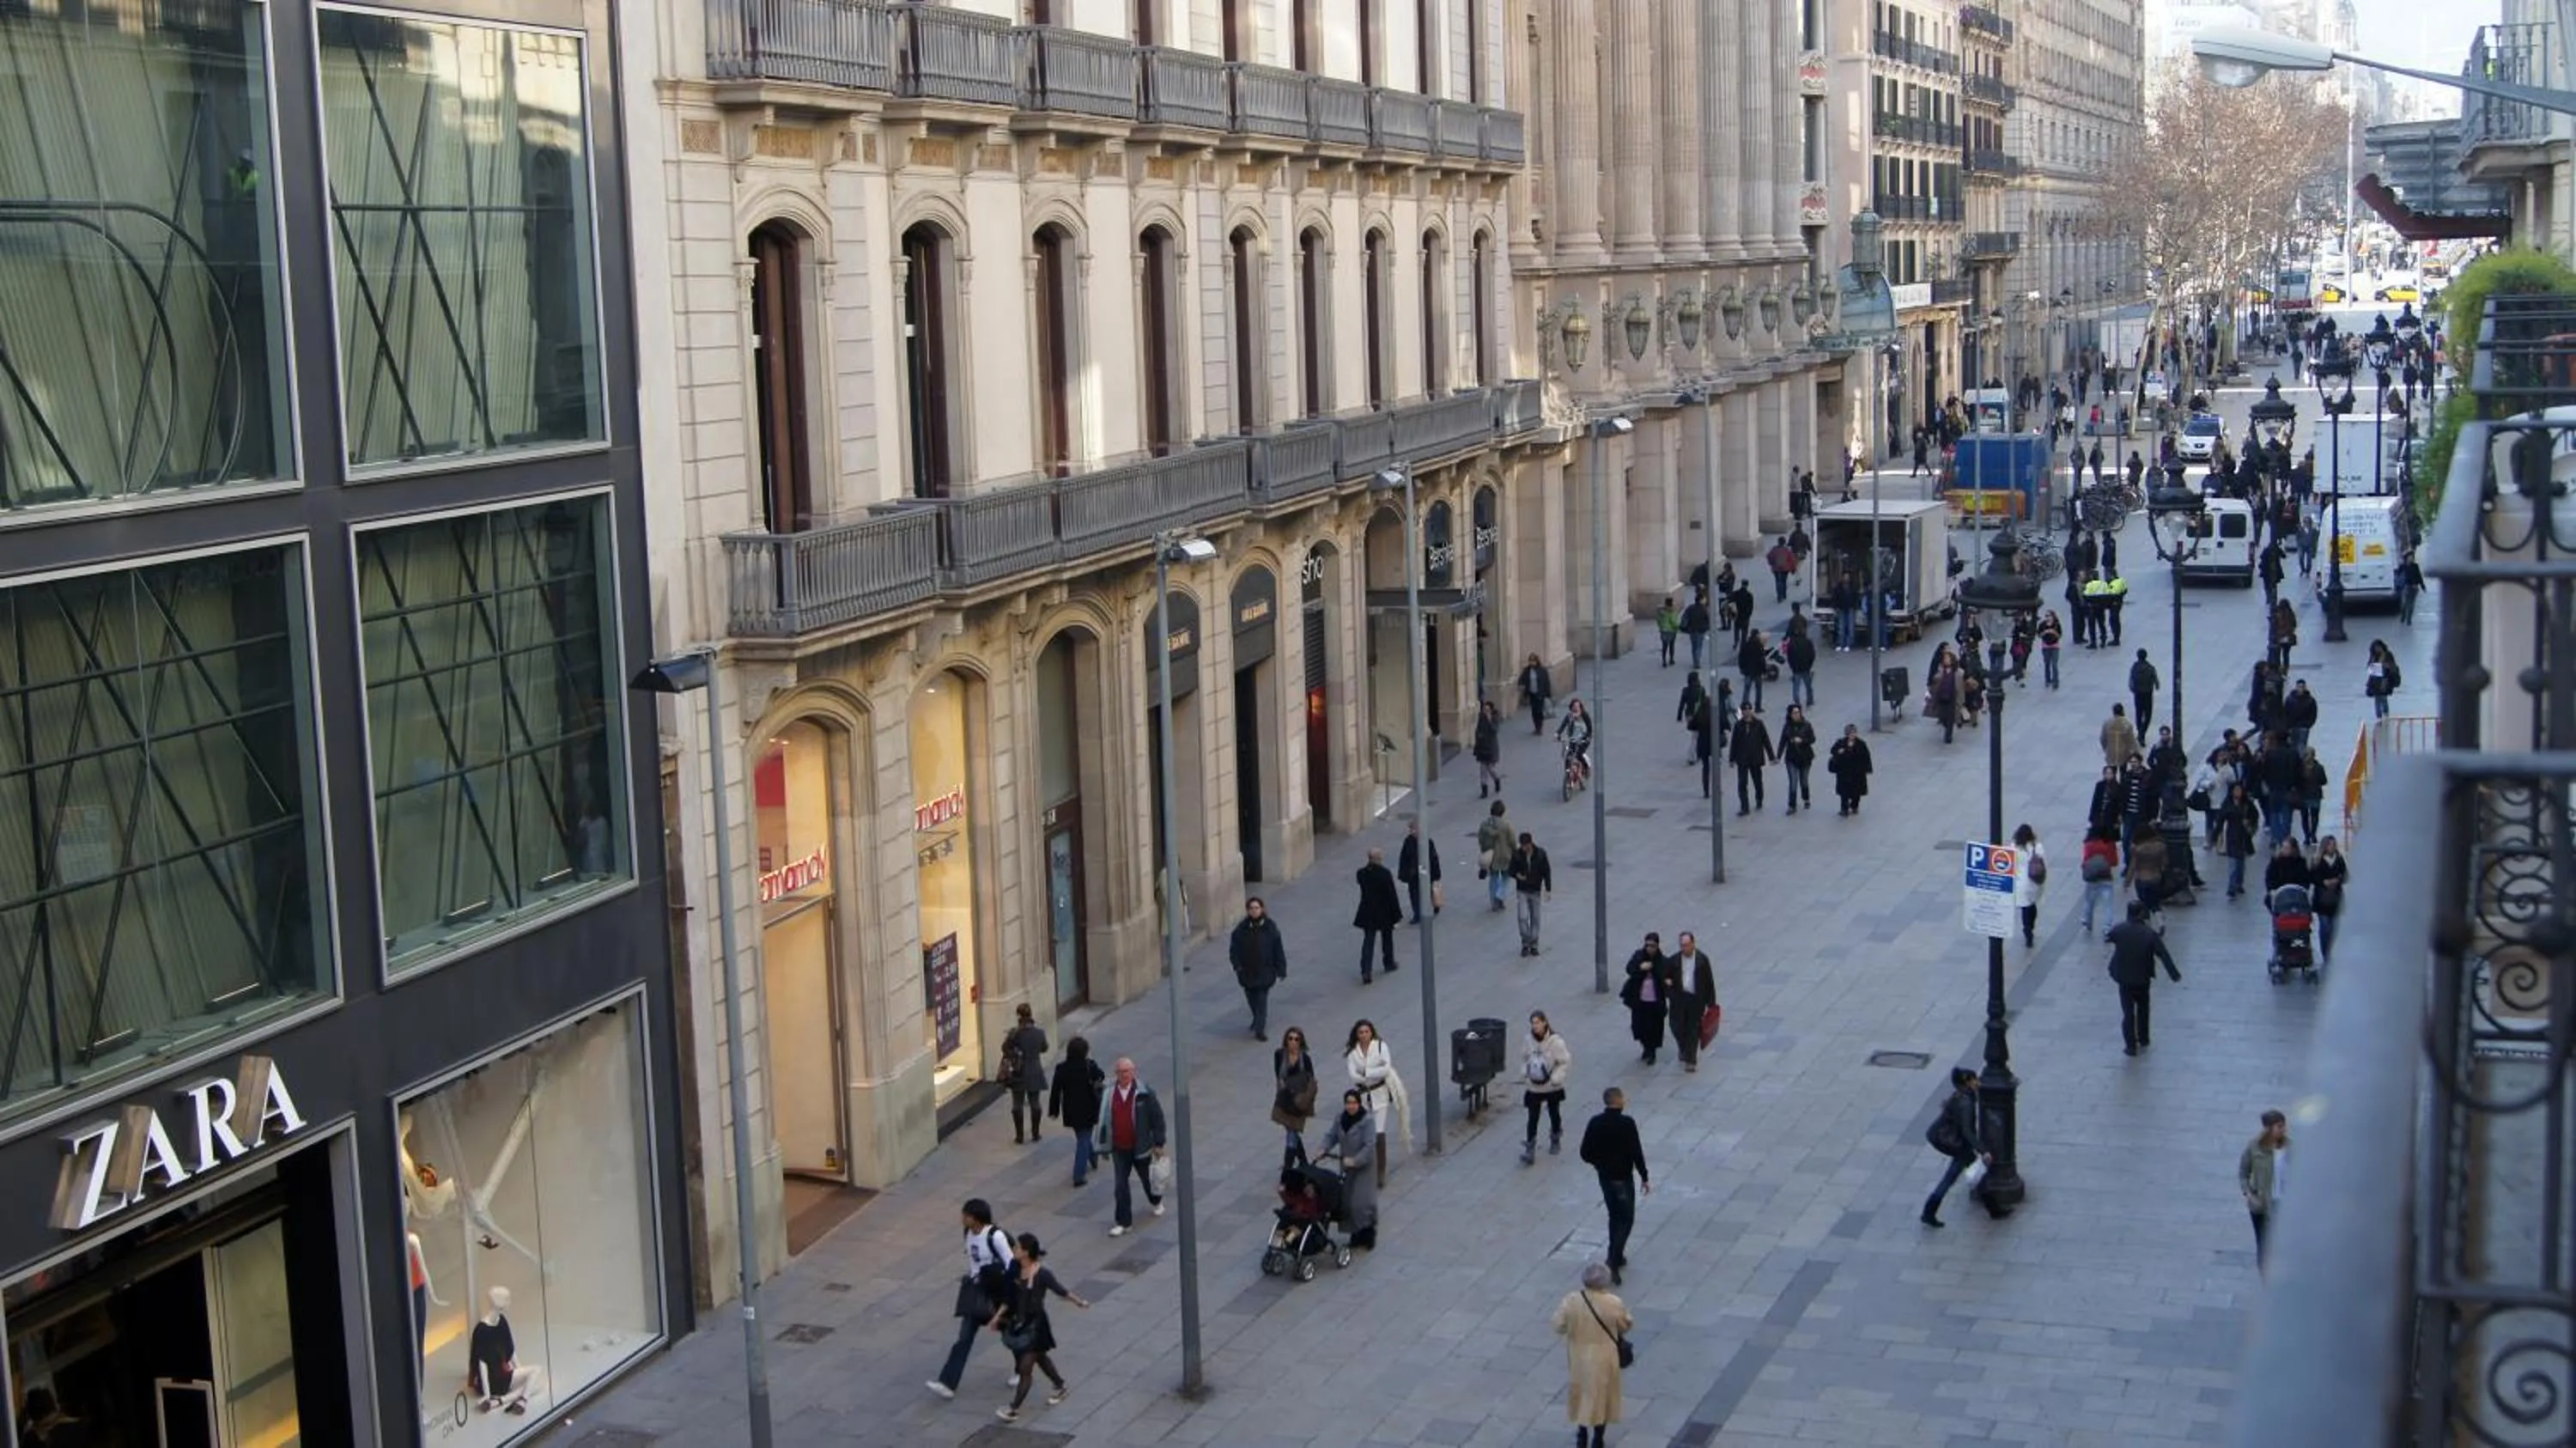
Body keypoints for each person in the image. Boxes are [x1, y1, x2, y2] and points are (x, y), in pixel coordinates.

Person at [989, 1232, 1090, 1423]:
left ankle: (1013, 1409)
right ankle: (1060, 1385)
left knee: (1026, 1367)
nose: (1014, 1250)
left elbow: (1061, 1290)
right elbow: (1009, 1299)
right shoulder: (1016, 1271)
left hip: (1037, 1327)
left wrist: (1079, 1302)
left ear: (1026, 1252)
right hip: (1022, 1324)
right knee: (1041, 1358)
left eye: (1018, 1247)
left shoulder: (1042, 1274)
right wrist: (996, 1317)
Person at [926, 1198, 1016, 1400]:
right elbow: (973, 1260)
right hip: (977, 1292)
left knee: (1009, 1335)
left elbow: (1011, 1264)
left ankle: (1023, 1367)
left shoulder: (996, 1236)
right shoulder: (968, 1234)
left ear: (975, 1218)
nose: (962, 1218)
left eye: (965, 1215)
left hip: (996, 1293)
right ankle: (948, 1383)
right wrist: (974, 1278)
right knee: (964, 1337)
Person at [1552, 1262, 1633, 1448]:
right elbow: (1625, 1325)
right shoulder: (1613, 1303)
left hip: (1579, 1356)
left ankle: (1582, 1434)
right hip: (1605, 1357)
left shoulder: (1572, 1301)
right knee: (1602, 1397)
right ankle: (1598, 1438)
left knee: (1582, 1394)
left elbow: (1558, 1325)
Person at [1579, 1088, 1651, 1285]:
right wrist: (1644, 1176)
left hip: (1605, 1177)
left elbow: (1585, 1152)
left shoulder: (1595, 1122)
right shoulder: (1627, 1124)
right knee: (1626, 1218)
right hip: (1622, 1177)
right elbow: (1636, 1151)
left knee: (1614, 1215)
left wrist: (1599, 1165)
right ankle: (1613, 1256)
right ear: (1618, 1101)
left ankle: (1616, 1255)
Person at [1097, 1058, 1167, 1236]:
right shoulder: (1110, 1093)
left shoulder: (1144, 1093)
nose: (1124, 1075)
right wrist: (1103, 1145)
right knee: (1121, 1185)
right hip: (1120, 1147)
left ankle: (1156, 1200)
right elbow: (1104, 1119)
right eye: (1120, 1072)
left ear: (1134, 1072)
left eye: (1127, 1071)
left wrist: (1159, 1143)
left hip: (1141, 1146)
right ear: (1116, 1074)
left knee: (1147, 1179)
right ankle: (1123, 1222)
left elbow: (1157, 1118)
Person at [2105, 901, 2183, 1056]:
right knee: (2143, 1007)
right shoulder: (2149, 934)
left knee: (2128, 1012)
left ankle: (2130, 1046)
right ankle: (2143, 1037)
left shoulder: (2120, 930)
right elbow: (2163, 955)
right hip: (2142, 977)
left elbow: (2109, 937)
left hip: (2124, 978)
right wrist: (2174, 974)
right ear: (2142, 914)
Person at [1921, 1068, 1990, 1227]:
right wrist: (1983, 1150)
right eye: (1974, 1080)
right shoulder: (1966, 1102)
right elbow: (1967, 1131)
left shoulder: (1961, 1095)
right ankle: (1994, 1207)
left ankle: (1929, 1212)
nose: (1978, 1082)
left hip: (1954, 1142)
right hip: (1957, 1144)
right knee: (1969, 1173)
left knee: (1955, 1175)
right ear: (1967, 1082)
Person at [1344, 1019, 1407, 1189]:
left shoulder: (1380, 1046)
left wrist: (1366, 1072)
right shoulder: (1353, 1053)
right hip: (1363, 1097)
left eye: (1366, 1032)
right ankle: (1365, 1167)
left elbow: (1386, 1068)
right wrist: (1370, 1074)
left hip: (1380, 1095)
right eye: (1361, 1032)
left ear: (1371, 1032)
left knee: (1379, 1132)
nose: (1364, 1035)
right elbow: (1353, 1075)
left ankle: (1380, 1171)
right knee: (1364, 1132)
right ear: (1356, 1035)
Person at [1317, 1087, 1382, 1250]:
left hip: (1364, 1167)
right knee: (1347, 1202)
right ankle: (1355, 1235)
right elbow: (1331, 1136)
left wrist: (1356, 1160)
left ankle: (1368, 1234)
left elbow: (1369, 1146)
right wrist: (1323, 1148)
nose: (1351, 1106)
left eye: (1354, 1103)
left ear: (1359, 1104)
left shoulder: (1367, 1122)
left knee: (1361, 1203)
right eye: (1348, 1103)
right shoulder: (1340, 1119)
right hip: (1347, 1166)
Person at [1045, 1037, 1105, 1187]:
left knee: (1082, 1137)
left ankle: (1092, 1156)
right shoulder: (1089, 1066)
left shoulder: (1062, 1068)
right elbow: (1101, 1075)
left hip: (1071, 1109)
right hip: (1089, 1107)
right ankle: (1079, 1174)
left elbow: (1056, 1091)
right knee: (1084, 1139)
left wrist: (1054, 1110)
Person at [1518, 1010, 1573, 1165]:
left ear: (1545, 1023)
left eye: (1537, 1022)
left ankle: (1555, 1137)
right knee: (1532, 1117)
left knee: (1554, 1113)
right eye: (1533, 1023)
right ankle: (1530, 1148)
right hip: (1534, 1086)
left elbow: (1564, 1062)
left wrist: (1557, 1078)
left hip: (1551, 1086)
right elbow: (1524, 1058)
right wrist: (1524, 1072)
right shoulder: (1528, 1040)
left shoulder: (1556, 1042)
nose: (1535, 1026)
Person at [1229, 897, 1288, 1041]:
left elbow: (1278, 949)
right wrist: (1237, 966)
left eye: (1257, 908)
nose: (1254, 911)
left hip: (1265, 971)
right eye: (1251, 908)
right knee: (1251, 999)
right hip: (1247, 972)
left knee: (1261, 1000)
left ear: (1262, 909)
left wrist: (1281, 969)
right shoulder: (1241, 929)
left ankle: (1260, 1029)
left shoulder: (1270, 928)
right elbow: (1234, 950)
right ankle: (1256, 1019)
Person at [2239, 1110, 2290, 1269]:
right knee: (2263, 1242)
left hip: (2284, 1203)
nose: (2283, 1130)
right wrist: (2248, 1193)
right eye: (2279, 1126)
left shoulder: (2291, 1147)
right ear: (2268, 1128)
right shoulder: (2254, 1147)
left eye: (2283, 1126)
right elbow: (2243, 1172)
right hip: (2261, 1203)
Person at [1667, 932, 1717, 1074]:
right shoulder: (1674, 961)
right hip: (1679, 999)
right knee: (1676, 1026)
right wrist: (1669, 989)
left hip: (1696, 1000)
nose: (1685, 948)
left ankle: (1691, 1059)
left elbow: (1709, 982)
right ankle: (1683, 1048)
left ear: (1693, 944)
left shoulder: (1702, 960)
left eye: (1687, 945)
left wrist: (1711, 1002)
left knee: (1693, 1030)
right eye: (1682, 946)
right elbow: (1665, 978)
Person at [1000, 1005, 1050, 1144]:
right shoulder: (1039, 1033)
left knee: (1017, 1104)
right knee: (1035, 1103)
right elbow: (1045, 1048)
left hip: (1018, 1072)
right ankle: (1035, 1133)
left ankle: (1020, 1136)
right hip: (1034, 1070)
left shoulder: (1015, 1034)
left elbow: (1004, 1048)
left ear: (1018, 1016)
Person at [1352, 847, 1402, 983]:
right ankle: (1388, 962)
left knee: (1368, 941)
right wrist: (1397, 913)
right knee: (1387, 938)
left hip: (1367, 911)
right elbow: (1392, 895)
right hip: (1384, 911)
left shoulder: (1361, 873)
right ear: (1378, 858)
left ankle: (1366, 970)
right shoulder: (1385, 874)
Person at [1619, 934, 1669, 1065]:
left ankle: (1651, 1052)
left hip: (1655, 1002)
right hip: (1639, 1000)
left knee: (1654, 1028)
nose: (1649, 948)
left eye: (1652, 946)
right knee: (1639, 1027)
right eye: (1647, 945)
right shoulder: (1638, 956)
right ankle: (1645, 1047)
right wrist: (1641, 968)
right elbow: (1629, 969)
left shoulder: (1662, 961)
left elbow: (1666, 975)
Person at [1271, 1027, 1317, 1165]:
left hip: (1299, 1102)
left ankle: (1287, 1171)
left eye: (1296, 1039)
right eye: (1290, 1038)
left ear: (1301, 1042)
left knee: (1291, 1135)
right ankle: (1304, 1162)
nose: (1293, 1042)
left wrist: (1307, 1100)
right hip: (1284, 1100)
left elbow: (1311, 1081)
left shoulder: (1305, 1059)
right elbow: (1278, 1074)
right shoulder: (1279, 1054)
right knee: (1293, 1132)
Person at [1510, 831, 1553, 956]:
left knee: (1535, 918)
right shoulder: (1517, 855)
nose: (1524, 848)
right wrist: (1517, 875)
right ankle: (1526, 941)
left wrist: (1548, 889)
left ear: (1530, 844)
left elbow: (1547, 871)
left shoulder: (1540, 854)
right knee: (1522, 917)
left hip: (1535, 890)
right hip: (1522, 890)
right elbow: (1511, 870)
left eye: (1525, 846)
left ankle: (1533, 943)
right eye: (1522, 846)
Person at [1728, 702, 1774, 817]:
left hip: (1755, 758)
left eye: (1749, 709)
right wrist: (1732, 759)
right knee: (1742, 783)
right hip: (1742, 759)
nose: (1747, 711)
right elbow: (1734, 742)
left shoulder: (1759, 724)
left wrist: (1771, 756)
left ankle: (1759, 799)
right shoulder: (1738, 725)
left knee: (1757, 781)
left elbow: (1766, 740)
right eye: (1744, 709)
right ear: (1742, 711)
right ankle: (1744, 807)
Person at [2218, 782, 2261, 899]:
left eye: (2239, 790)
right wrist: (2217, 835)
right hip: (2232, 836)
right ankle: (2231, 888)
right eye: (2235, 790)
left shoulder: (2247, 804)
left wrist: (2250, 823)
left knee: (2240, 863)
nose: (2237, 792)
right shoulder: (2227, 804)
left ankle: (2239, 883)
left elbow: (2255, 816)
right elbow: (2220, 819)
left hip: (2244, 837)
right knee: (2233, 863)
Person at [1395, 820, 1443, 925]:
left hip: (1426, 872)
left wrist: (1436, 874)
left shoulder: (1427, 841)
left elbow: (1434, 858)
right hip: (1413, 874)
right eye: (1411, 829)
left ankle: (1435, 905)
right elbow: (1404, 858)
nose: (1412, 831)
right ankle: (1417, 914)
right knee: (1414, 894)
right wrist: (1404, 873)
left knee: (1430, 890)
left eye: (1414, 829)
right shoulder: (1408, 841)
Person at [2078, 824, 2121, 935]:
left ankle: (2088, 922)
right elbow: (2114, 862)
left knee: (2089, 901)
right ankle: (2107, 927)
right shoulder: (2109, 844)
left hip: (2092, 877)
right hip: (2106, 876)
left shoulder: (2089, 845)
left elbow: (2085, 861)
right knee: (2108, 904)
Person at [2310, 837, 2347, 963]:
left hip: (2336, 898)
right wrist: (2323, 882)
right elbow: (2312, 877)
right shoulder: (2317, 860)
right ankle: (2326, 952)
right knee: (2325, 926)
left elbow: (2345, 875)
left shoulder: (2339, 858)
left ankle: (2332, 950)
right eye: (2331, 845)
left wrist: (2338, 880)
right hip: (2322, 899)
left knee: (2334, 927)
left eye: (2334, 844)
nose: (2333, 847)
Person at [2010, 822, 2046, 949]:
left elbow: (2011, 865)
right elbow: (2043, 861)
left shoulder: (2014, 847)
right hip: (2034, 881)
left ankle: (2027, 930)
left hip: (2020, 882)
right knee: (2032, 905)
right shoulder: (2037, 847)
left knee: (2025, 907)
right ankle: (2030, 926)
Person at [1777, 704, 1818, 814]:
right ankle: (1792, 805)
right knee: (1793, 782)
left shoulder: (1806, 725)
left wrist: (1802, 740)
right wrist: (1778, 756)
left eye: (1798, 712)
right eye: (1794, 713)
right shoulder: (1787, 726)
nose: (1796, 715)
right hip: (1791, 758)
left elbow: (1813, 739)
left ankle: (1806, 798)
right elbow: (1782, 741)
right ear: (1790, 715)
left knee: (1804, 780)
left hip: (1805, 757)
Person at [1477, 800, 1516, 912]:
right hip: (1505, 855)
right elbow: (1512, 841)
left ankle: (1494, 901)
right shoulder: (1506, 825)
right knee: (1506, 877)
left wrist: (1484, 849)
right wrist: (1515, 850)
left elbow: (1481, 839)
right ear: (1502, 812)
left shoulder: (1484, 825)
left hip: (1491, 856)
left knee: (1493, 878)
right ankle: (1500, 896)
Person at [1827, 724, 1874, 817]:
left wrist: (1868, 769)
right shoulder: (1841, 743)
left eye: (1854, 733)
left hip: (1857, 773)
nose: (1853, 735)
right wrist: (1839, 752)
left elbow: (1866, 757)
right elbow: (1833, 751)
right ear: (1847, 734)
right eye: (1851, 733)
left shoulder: (1861, 744)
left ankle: (1854, 806)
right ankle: (1844, 809)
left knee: (1857, 792)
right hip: (1844, 772)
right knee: (1844, 792)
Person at [1557, 697, 1595, 788]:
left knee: (1579, 754)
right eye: (1574, 706)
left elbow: (1590, 729)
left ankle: (1586, 768)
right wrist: (1557, 734)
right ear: (1571, 707)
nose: (1576, 708)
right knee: (1568, 756)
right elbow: (1562, 726)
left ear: (1581, 707)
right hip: (1573, 739)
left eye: (1578, 706)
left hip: (1583, 740)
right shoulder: (1569, 716)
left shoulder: (1585, 716)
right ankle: (1568, 772)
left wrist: (1587, 737)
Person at [1473, 700, 1504, 798]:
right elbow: (1477, 730)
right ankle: (1484, 790)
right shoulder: (1481, 717)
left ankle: (1497, 780)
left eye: (1487, 710)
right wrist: (1477, 742)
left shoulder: (1494, 718)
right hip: (1482, 747)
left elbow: (1495, 730)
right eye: (1484, 709)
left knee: (1490, 769)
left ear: (1491, 710)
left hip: (1491, 747)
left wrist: (1489, 720)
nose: (1485, 711)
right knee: (1483, 770)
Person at [1783, 622, 1817, 708]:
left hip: (1796, 669)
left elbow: (1789, 656)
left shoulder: (1791, 643)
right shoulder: (1808, 642)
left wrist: (1792, 667)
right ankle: (1810, 701)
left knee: (1796, 687)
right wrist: (1809, 665)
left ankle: (1797, 702)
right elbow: (1812, 655)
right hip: (1806, 668)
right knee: (1808, 686)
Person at [2100, 703, 2140, 771]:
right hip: (2123, 754)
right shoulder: (2127, 724)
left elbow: (2103, 739)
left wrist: (2106, 749)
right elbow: (2131, 741)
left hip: (2111, 753)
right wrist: (2135, 752)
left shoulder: (2107, 723)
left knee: (2112, 772)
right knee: (2123, 772)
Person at [1520, 652, 1553, 733]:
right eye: (1530, 660)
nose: (1532, 662)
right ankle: (1536, 726)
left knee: (1539, 711)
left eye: (1533, 660)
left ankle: (1540, 727)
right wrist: (1522, 686)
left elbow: (1546, 682)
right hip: (1532, 693)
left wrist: (1548, 694)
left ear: (1537, 661)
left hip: (1540, 693)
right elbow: (1522, 679)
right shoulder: (1527, 670)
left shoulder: (1542, 670)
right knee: (1534, 711)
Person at [2128, 649, 2160, 733]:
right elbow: (2156, 681)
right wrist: (2156, 685)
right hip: (2148, 693)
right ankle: (2143, 731)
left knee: (2138, 713)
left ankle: (2139, 730)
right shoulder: (2150, 668)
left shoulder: (2134, 667)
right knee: (2148, 714)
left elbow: (2131, 681)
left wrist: (2132, 689)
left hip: (2138, 693)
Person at [1680, 590, 1711, 670]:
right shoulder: (1704, 609)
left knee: (1694, 646)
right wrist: (1708, 627)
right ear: (1701, 600)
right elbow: (1708, 619)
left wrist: (1684, 627)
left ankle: (1695, 661)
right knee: (1699, 646)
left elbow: (1684, 617)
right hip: (1701, 630)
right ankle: (1697, 662)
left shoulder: (1690, 608)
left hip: (1692, 630)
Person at [2396, 549, 2424, 624]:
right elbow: (2398, 576)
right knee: (2405, 603)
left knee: (2412, 604)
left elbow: (2419, 576)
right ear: (2406, 558)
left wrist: (2422, 586)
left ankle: (2409, 619)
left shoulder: (2415, 566)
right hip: (2406, 587)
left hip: (2414, 587)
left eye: (2412, 557)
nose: (2411, 558)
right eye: (2409, 557)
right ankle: (2403, 615)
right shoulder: (2403, 566)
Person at [1655, 597, 1680, 666]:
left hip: (1664, 630)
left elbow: (1658, 620)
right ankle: (1671, 659)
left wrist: (1661, 627)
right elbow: (1673, 622)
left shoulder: (1661, 611)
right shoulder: (1672, 611)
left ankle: (1664, 660)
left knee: (1664, 646)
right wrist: (1678, 627)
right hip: (1671, 631)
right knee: (1672, 645)